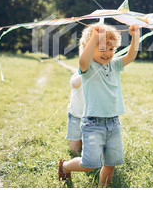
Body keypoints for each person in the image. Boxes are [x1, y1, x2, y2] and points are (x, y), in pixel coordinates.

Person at [59, 23, 140, 188]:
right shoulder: (87, 67)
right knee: (89, 165)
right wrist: (95, 36)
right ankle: (65, 166)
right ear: (89, 47)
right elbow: (83, 59)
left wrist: (135, 37)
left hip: (113, 122)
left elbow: (131, 56)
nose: (108, 53)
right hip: (93, 124)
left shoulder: (114, 64)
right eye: (102, 48)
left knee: (111, 164)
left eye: (111, 49)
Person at [66, 71, 84, 156]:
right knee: (74, 138)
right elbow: (74, 84)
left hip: (89, 116)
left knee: (86, 139)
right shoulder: (77, 74)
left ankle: (84, 155)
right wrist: (83, 74)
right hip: (75, 114)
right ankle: (74, 155)